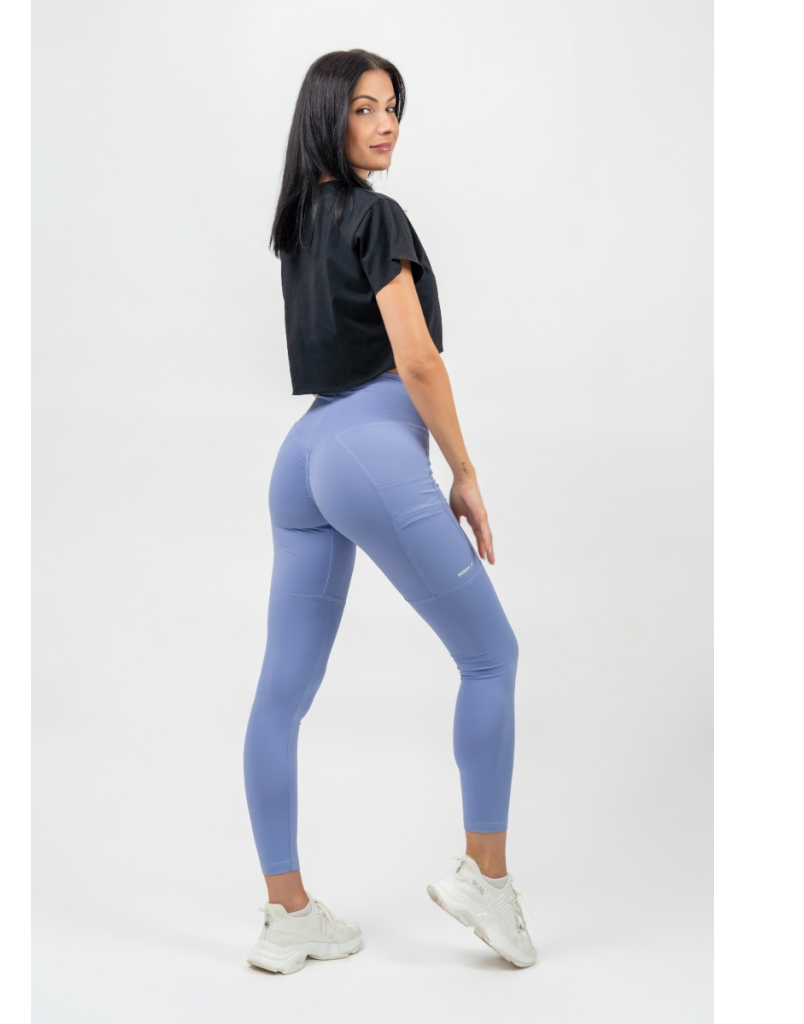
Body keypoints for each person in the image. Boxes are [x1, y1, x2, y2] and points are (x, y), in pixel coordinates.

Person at [242, 49, 537, 974]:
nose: (386, 124)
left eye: (394, 108)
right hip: (371, 446)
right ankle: (485, 878)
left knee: (280, 697)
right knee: (491, 656)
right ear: (328, 114)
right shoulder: (376, 215)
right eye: (365, 107)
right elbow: (415, 360)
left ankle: (287, 914)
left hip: (303, 459)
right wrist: (464, 470)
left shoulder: (298, 225)